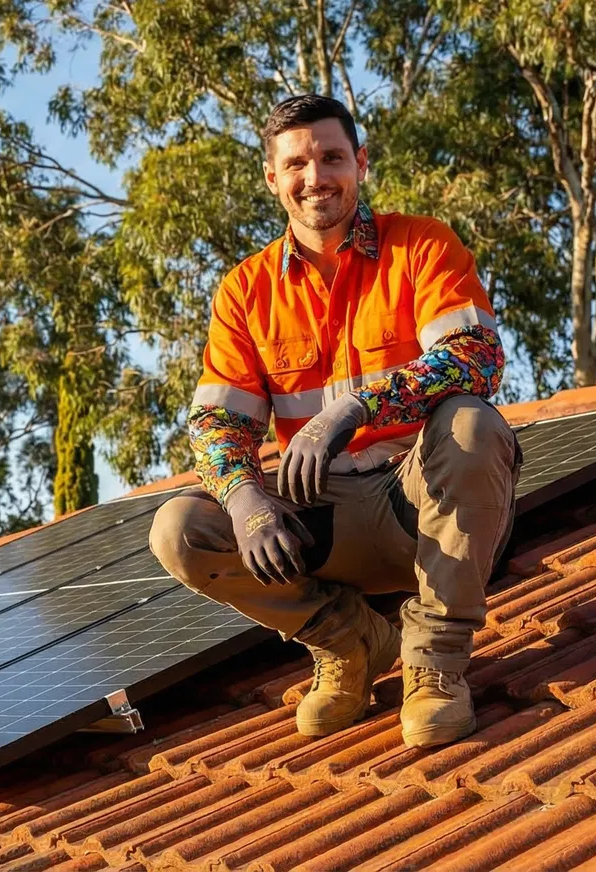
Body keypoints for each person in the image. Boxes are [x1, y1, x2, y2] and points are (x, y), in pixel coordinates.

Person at [148, 94, 518, 748]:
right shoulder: (245, 290)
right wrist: (244, 502)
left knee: (472, 425)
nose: (315, 176)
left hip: (421, 506)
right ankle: (351, 645)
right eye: (296, 163)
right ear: (273, 179)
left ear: (360, 163)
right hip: (324, 521)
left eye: (331, 157)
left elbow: (476, 359)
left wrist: (356, 407)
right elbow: (216, 423)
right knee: (181, 528)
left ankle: (435, 664)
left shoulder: (423, 246)